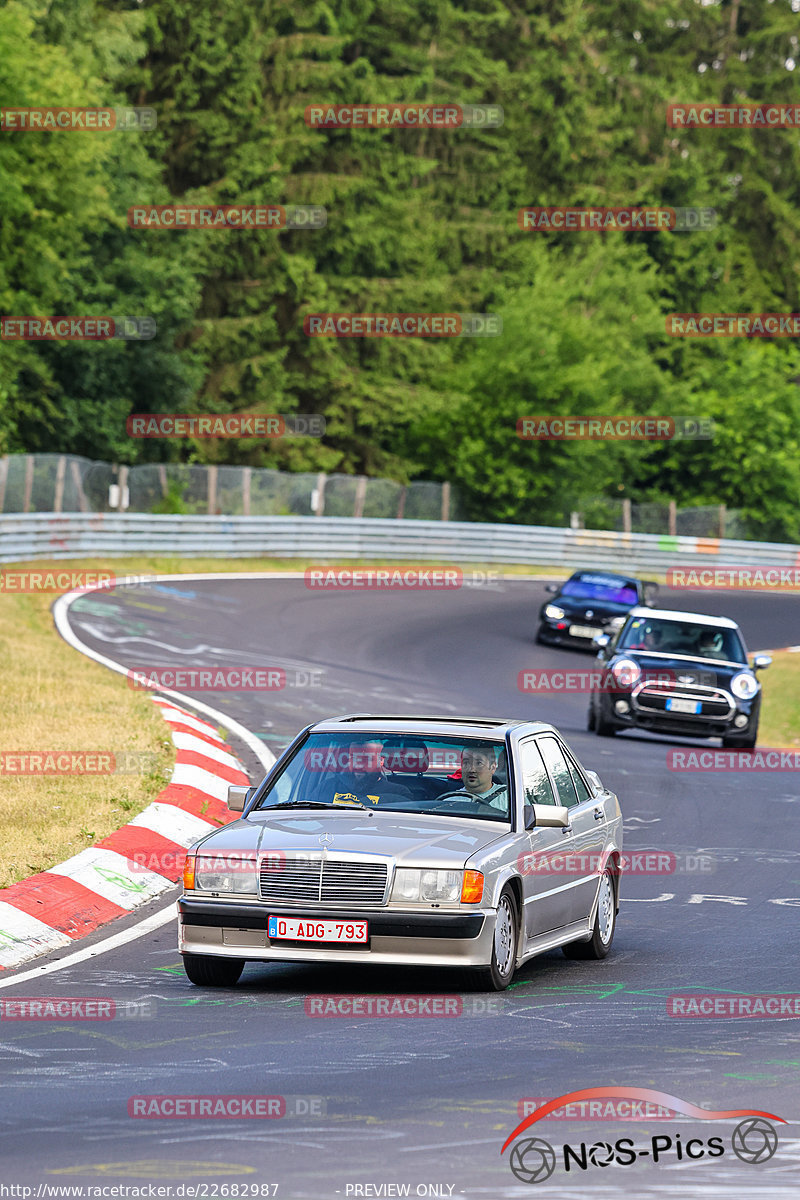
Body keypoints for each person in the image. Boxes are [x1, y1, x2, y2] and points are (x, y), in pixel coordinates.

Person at [327, 740, 412, 806]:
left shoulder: (399, 793)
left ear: (381, 760)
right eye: (354, 757)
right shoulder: (329, 786)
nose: (358, 765)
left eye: (366, 759)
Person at [438, 746, 508, 814]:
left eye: (479, 763)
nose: (471, 769)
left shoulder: (510, 797)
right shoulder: (449, 802)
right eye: (466, 763)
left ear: (493, 768)